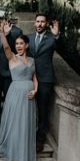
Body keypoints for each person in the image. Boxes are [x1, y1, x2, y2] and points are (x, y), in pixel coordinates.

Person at [0, 25, 38, 161]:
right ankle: (14, 152)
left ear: (26, 45)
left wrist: (35, 90)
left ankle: (23, 153)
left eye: (21, 43)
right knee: (16, 123)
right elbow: (7, 48)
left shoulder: (32, 60)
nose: (18, 46)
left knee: (25, 124)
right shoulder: (12, 58)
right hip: (16, 93)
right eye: (17, 44)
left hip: (29, 96)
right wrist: (2, 34)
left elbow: (35, 77)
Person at [0, 17, 24, 129]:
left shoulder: (17, 31)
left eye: (4, 17)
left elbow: (18, 50)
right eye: (0, 18)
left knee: (9, 98)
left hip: (9, 71)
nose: (2, 19)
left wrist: (7, 35)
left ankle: (9, 121)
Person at [28, 14, 60, 149]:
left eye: (42, 22)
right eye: (37, 21)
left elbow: (60, 48)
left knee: (43, 110)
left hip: (45, 79)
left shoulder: (52, 38)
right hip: (29, 78)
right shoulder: (28, 38)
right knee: (28, 108)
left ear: (46, 24)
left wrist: (57, 36)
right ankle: (27, 134)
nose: (40, 24)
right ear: (34, 23)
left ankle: (40, 139)